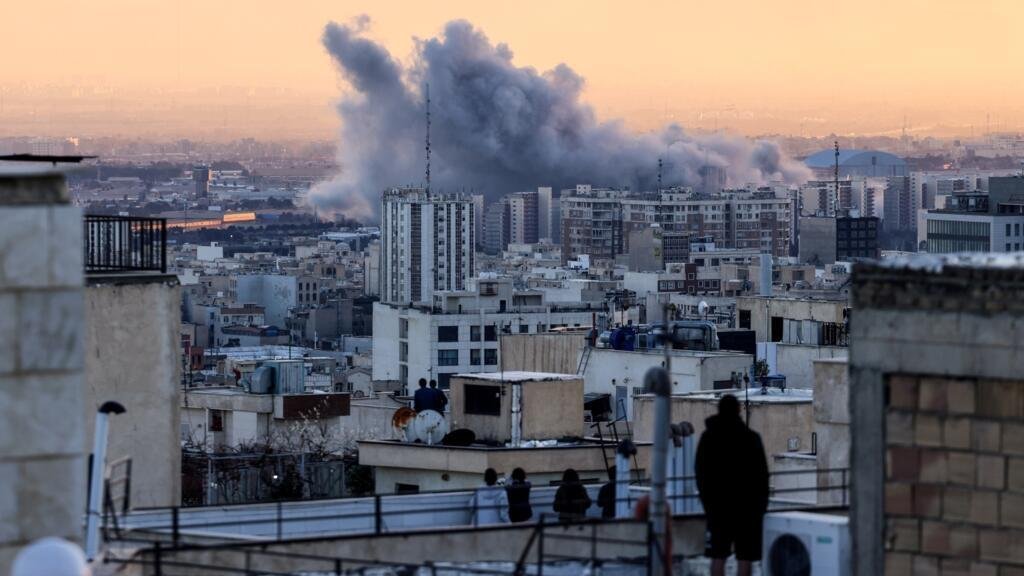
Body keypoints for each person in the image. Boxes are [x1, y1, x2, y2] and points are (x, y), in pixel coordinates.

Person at [695, 394, 769, 576]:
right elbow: (762, 476)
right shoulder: (751, 438)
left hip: (717, 506)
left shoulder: (708, 437)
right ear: (738, 411)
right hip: (747, 507)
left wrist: (707, 502)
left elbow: (700, 472)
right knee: (745, 556)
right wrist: (761, 506)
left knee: (718, 555)